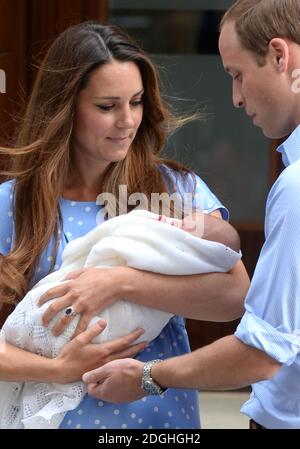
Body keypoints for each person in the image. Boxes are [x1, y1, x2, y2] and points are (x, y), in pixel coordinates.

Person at [0, 21, 249, 429]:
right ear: (64, 108)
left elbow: (235, 296)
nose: (128, 121)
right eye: (107, 106)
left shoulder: (177, 190)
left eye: (135, 102)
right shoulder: (12, 204)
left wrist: (119, 283)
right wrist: (60, 370)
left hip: (161, 423)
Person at [82, 0, 300, 430]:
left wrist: (146, 370)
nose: (236, 98)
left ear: (280, 56)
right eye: (106, 105)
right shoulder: (14, 201)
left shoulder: (285, 188)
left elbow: (261, 347)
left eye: (237, 75)